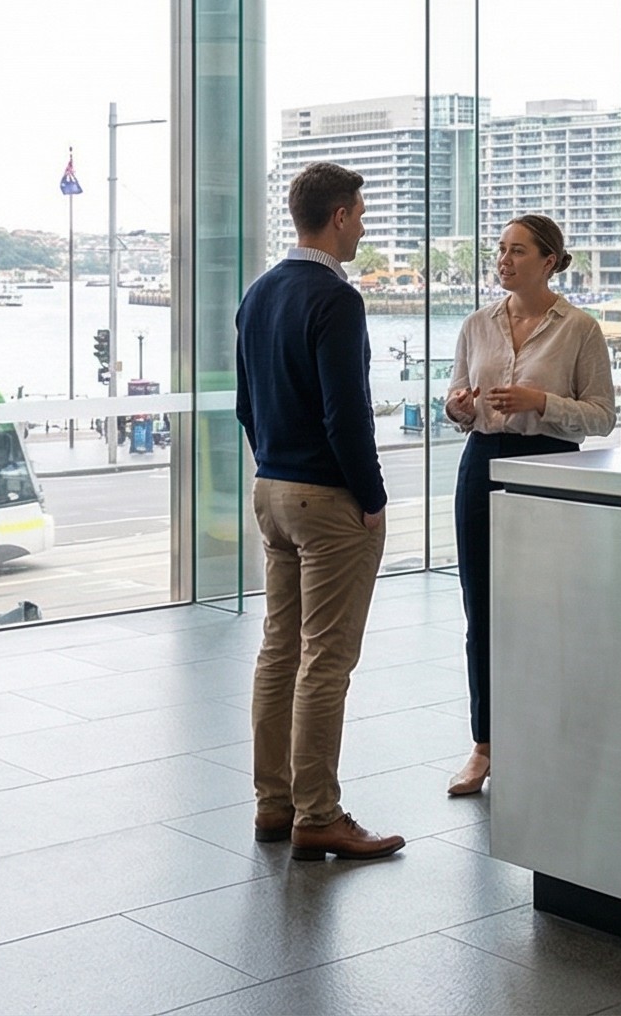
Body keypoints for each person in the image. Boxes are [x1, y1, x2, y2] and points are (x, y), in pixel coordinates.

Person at [238, 161, 405, 862]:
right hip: (328, 502)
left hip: (272, 491)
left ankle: (273, 804)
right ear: (338, 217)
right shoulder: (336, 299)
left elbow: (246, 404)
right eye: (360, 214)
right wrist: (372, 497)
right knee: (326, 661)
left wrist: (276, 464)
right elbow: (347, 416)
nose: (363, 226)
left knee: (279, 650)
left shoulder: (259, 292)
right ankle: (319, 814)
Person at [442, 214, 616, 798]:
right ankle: (485, 745)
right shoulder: (476, 324)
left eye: (517, 250)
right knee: (481, 608)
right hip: (481, 464)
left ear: (549, 260)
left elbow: (602, 416)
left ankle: (550, 735)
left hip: (550, 468)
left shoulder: (580, 329)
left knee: (549, 608)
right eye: (500, 249)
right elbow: (457, 399)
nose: (504, 260)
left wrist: (541, 401)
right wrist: (459, 408)